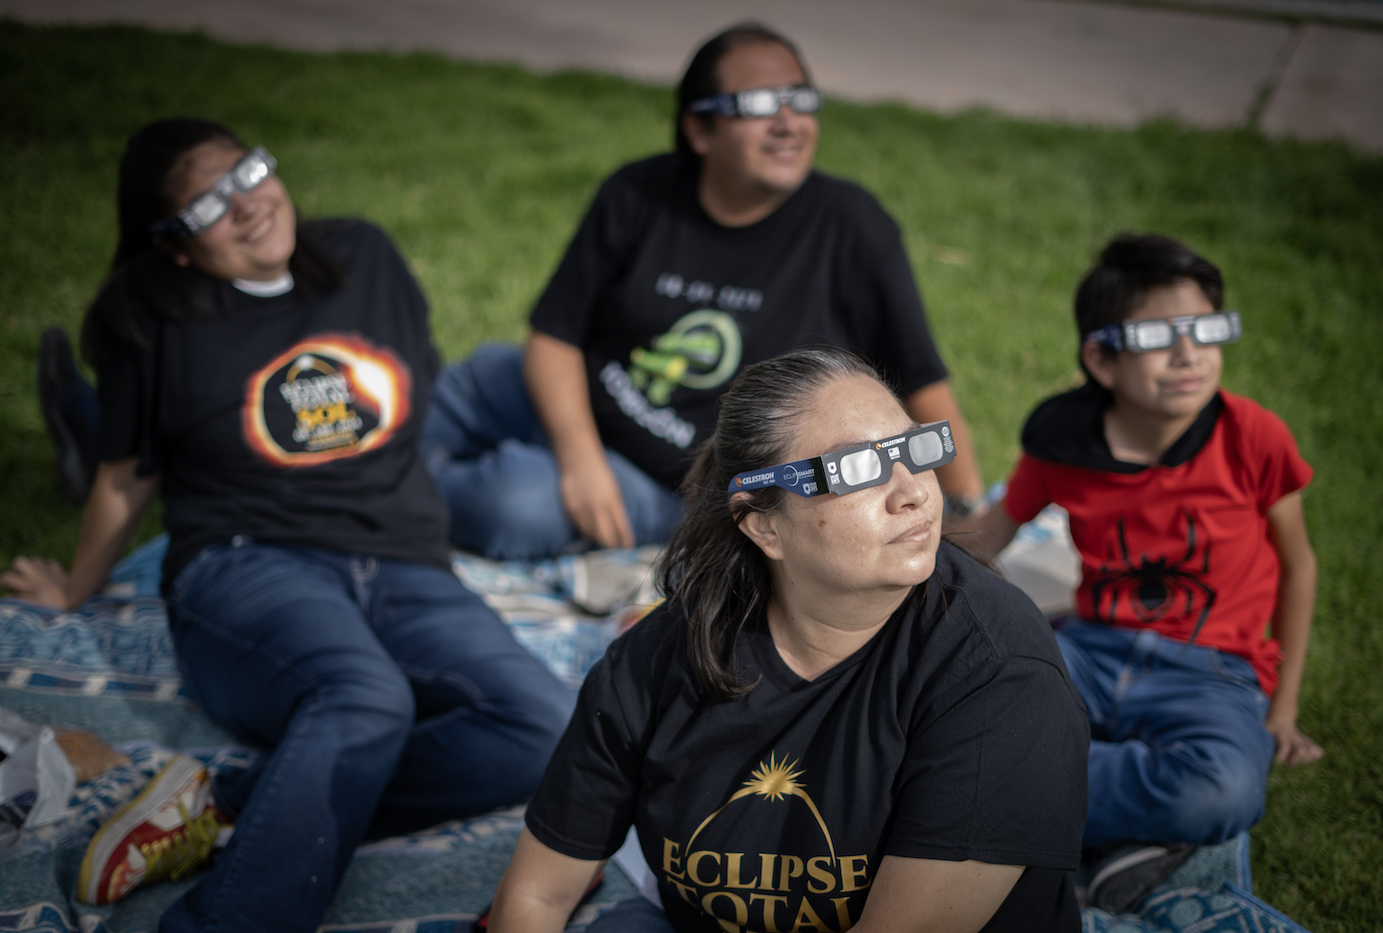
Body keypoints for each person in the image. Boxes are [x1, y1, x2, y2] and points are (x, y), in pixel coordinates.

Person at [0, 118, 574, 933]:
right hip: (247, 561)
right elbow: (128, 474)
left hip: (404, 563)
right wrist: (74, 586)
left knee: (544, 725)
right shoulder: (149, 313)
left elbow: (412, 409)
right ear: (172, 244)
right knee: (367, 697)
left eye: (247, 172)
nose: (246, 205)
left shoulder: (366, 258)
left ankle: (219, 809)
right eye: (206, 206)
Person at [485, 348, 1088, 933]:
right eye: (858, 468)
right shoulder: (663, 655)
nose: (914, 492)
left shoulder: (999, 672)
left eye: (913, 448)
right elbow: (535, 894)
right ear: (764, 524)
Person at [421, 22, 985, 561]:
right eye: (757, 105)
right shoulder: (638, 193)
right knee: (453, 388)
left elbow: (921, 385)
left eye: (800, 98)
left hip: (670, 483)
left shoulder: (852, 228)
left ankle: (378, 503)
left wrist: (964, 519)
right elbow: (554, 336)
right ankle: (356, 470)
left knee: (512, 505)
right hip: (572, 395)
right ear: (699, 129)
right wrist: (579, 457)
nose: (788, 121)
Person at [967, 233, 1322, 911]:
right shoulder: (1064, 443)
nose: (1189, 353)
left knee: (1225, 789)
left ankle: (1020, 800)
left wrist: (1284, 709)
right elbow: (987, 535)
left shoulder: (1254, 436)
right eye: (1159, 334)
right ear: (1101, 356)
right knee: (967, 700)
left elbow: (1299, 564)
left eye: (1205, 329)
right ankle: (1118, 831)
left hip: (1215, 668)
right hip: (1090, 646)